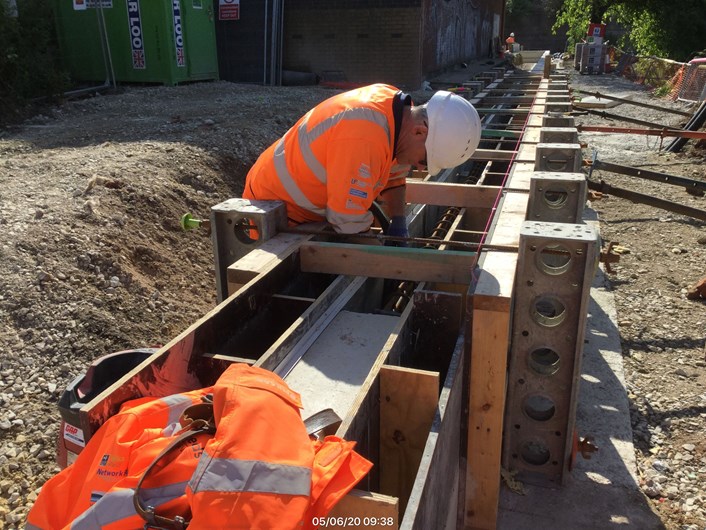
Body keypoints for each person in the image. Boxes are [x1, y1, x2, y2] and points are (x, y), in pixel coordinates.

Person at [243, 83, 481, 241]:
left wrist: (399, 221)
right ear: (420, 132)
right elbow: (348, 221)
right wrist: (380, 262)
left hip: (302, 209)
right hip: (270, 211)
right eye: (424, 161)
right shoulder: (364, 135)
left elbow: (394, 175)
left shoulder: (398, 115)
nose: (420, 168)